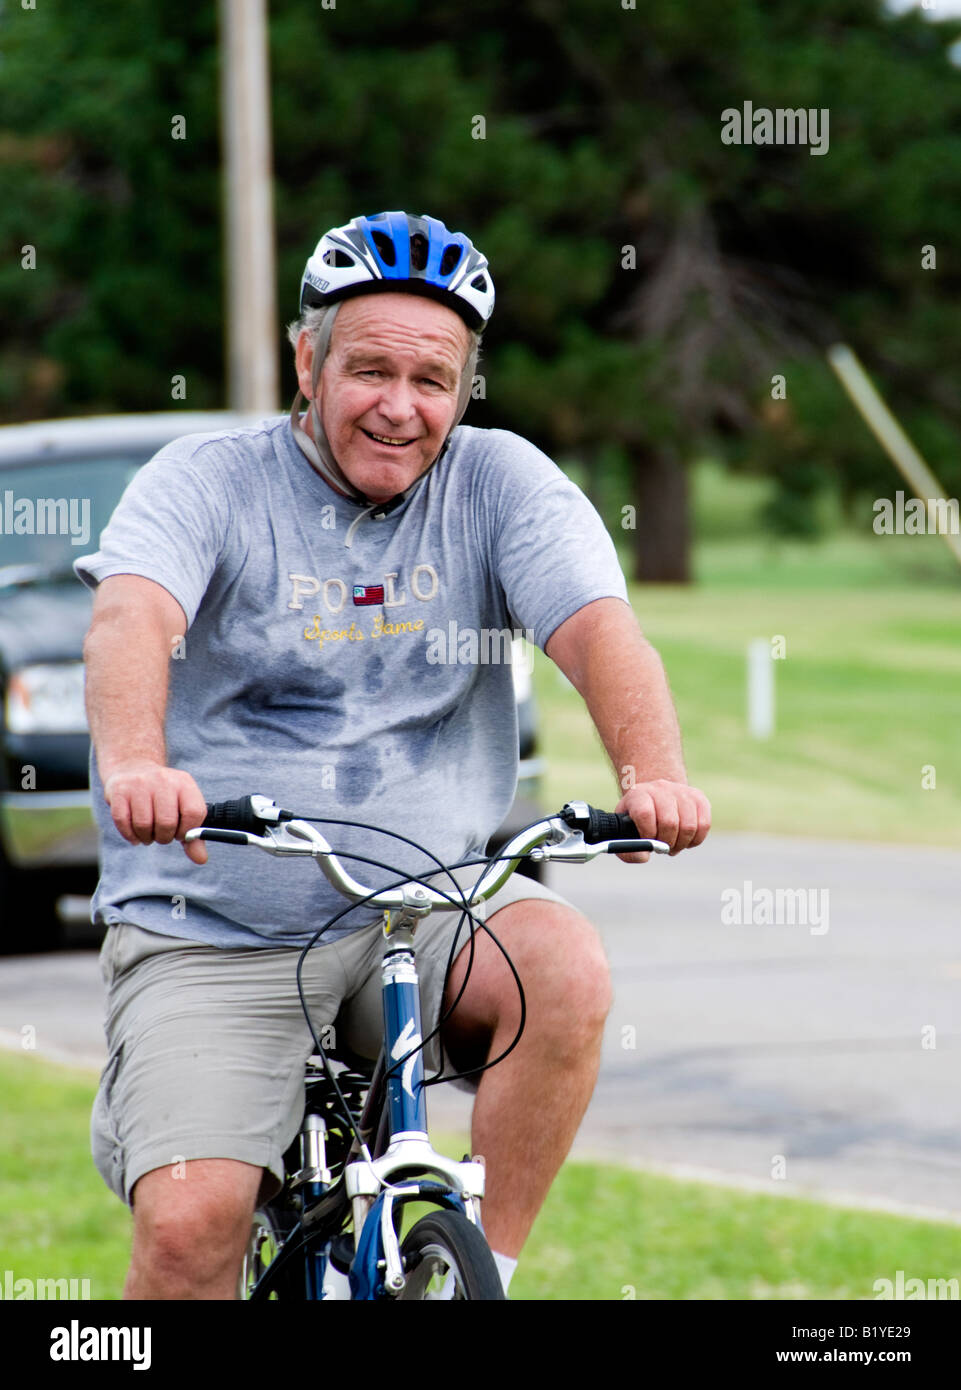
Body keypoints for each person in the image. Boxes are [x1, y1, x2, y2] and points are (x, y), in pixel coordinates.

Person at [75, 210, 710, 1300]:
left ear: (466, 389)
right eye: (369, 369)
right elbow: (131, 619)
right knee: (191, 1231)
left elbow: (601, 630)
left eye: (433, 379)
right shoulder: (209, 479)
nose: (399, 406)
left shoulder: (499, 483)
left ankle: (474, 1279)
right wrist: (137, 762)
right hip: (217, 932)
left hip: (426, 911)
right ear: (306, 360)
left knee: (563, 964)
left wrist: (650, 773)